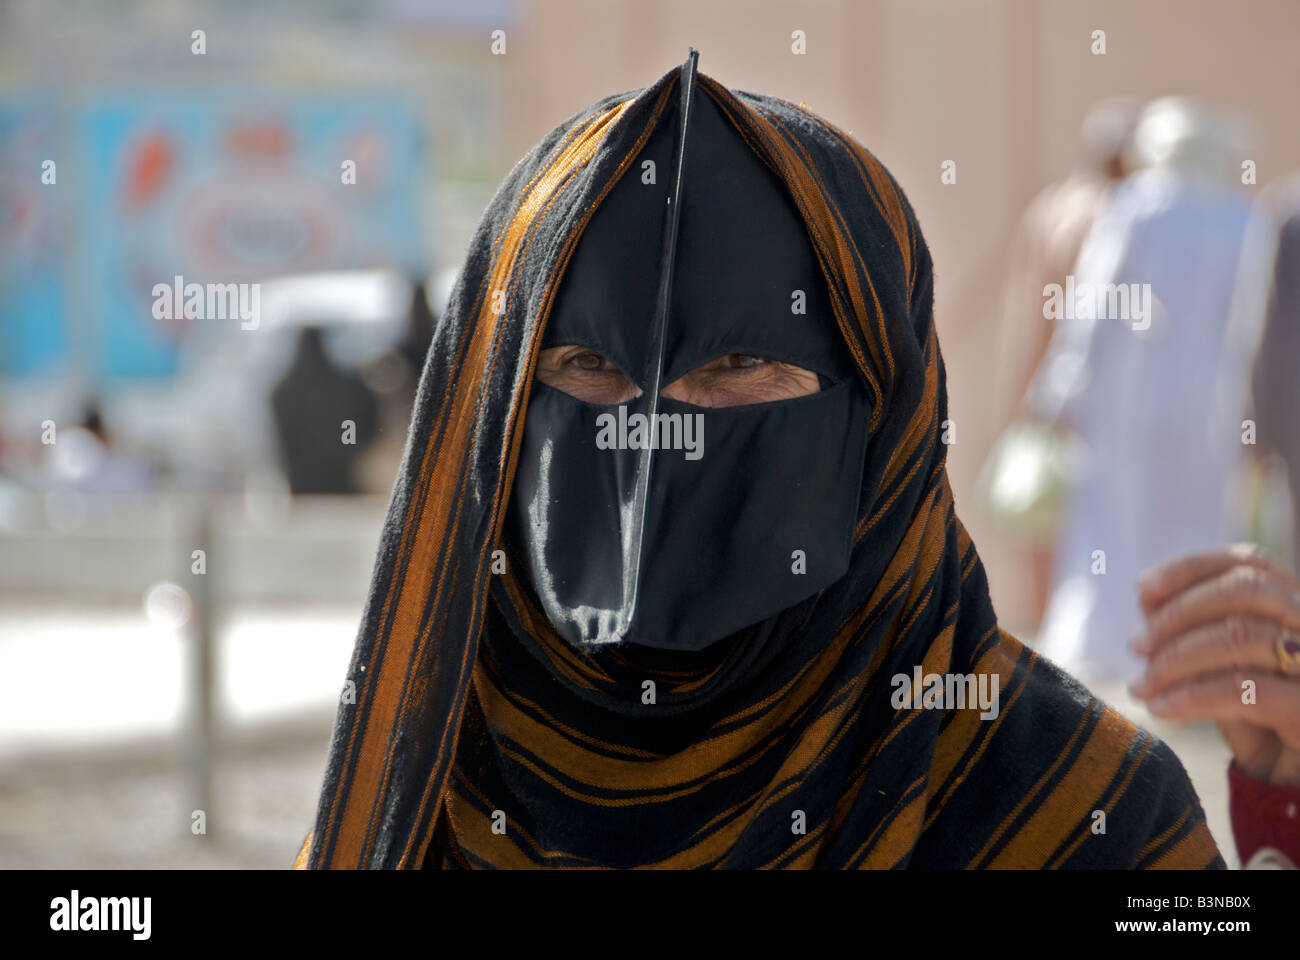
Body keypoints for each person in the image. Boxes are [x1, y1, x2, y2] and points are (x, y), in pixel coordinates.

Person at [293, 54, 1226, 869]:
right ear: (492, 404)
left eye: (737, 365)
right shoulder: (421, 792)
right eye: (589, 365)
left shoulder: (1080, 810)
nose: (656, 435)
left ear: (880, 410)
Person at [1029, 97, 1257, 685]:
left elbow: (1093, 308)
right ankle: (1187, 659)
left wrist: (1059, 388)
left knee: (1112, 523)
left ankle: (1110, 649)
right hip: (1212, 408)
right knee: (1196, 530)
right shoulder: (1242, 217)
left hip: (1125, 403)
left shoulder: (1136, 209)